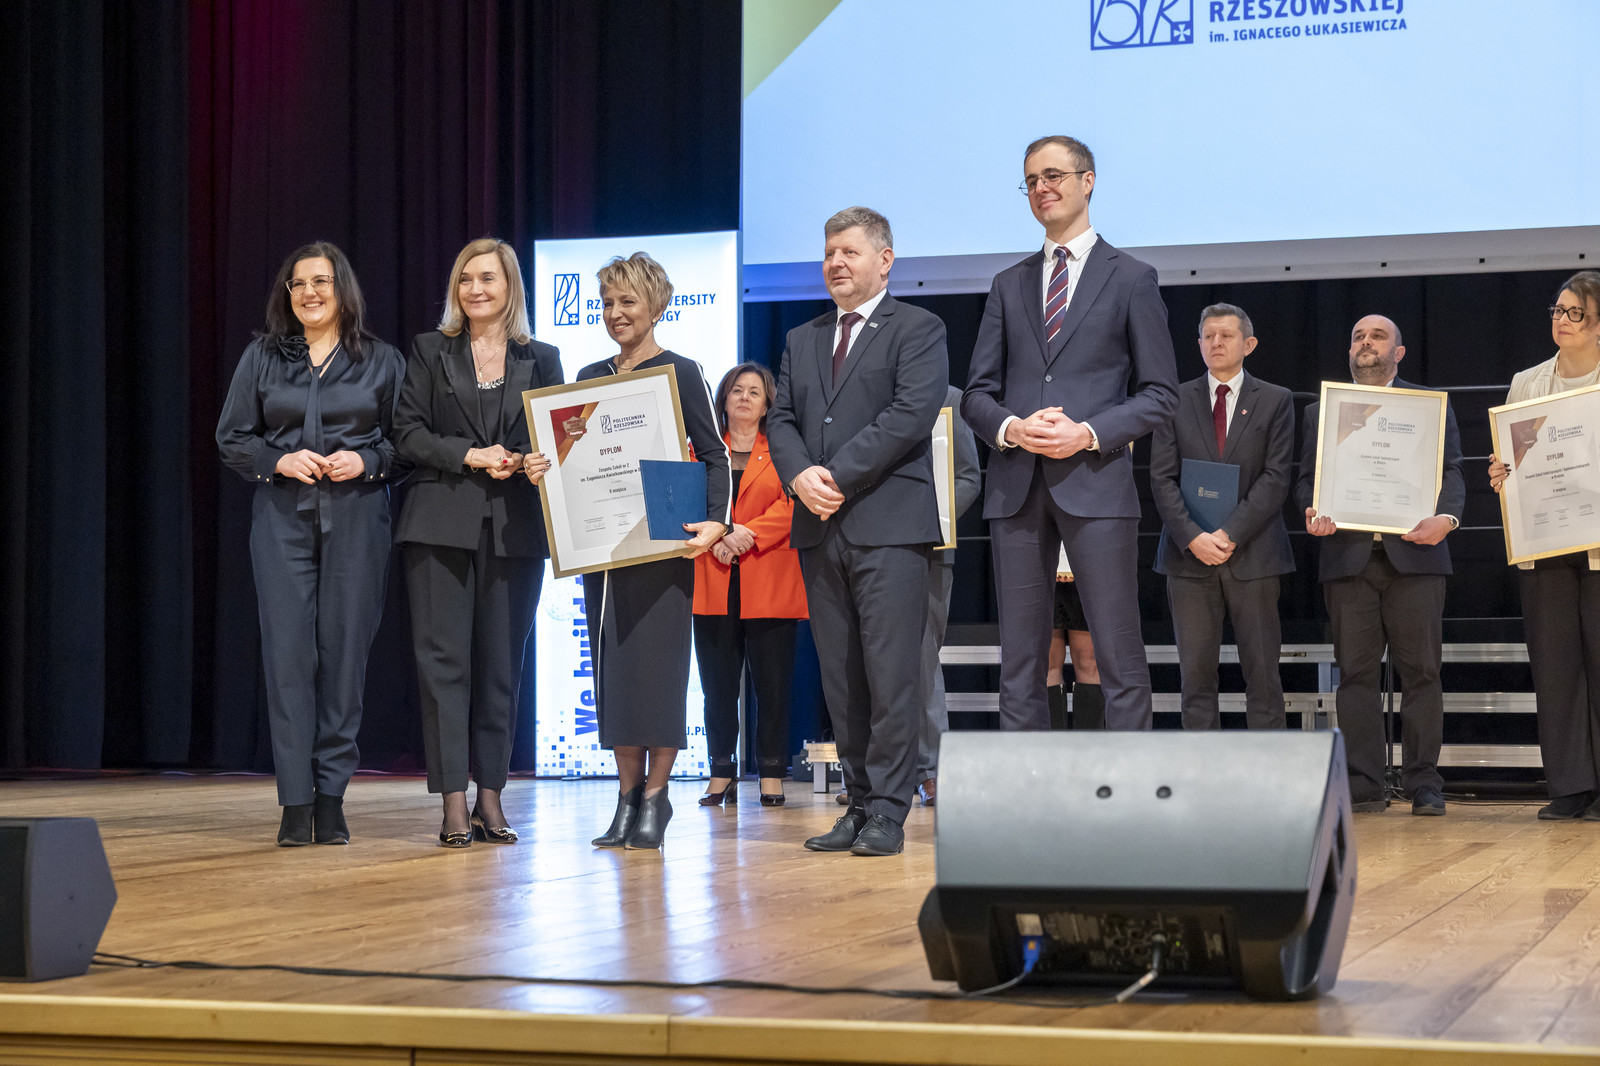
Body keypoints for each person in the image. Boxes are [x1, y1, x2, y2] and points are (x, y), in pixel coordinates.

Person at [961, 135, 1179, 732]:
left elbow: (1161, 393)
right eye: (1031, 180)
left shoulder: (1132, 277)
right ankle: (1026, 783)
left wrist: (1087, 433)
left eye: (1053, 175)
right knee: (1021, 661)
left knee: (1117, 651)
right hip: (1017, 489)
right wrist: (1012, 427)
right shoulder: (1008, 283)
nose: (1042, 188)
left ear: (1088, 181)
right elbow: (976, 394)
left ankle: (1128, 782)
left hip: (1097, 485)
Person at [767, 206, 948, 857]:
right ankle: (860, 802)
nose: (835, 263)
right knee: (842, 679)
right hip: (820, 528)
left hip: (890, 527)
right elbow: (781, 420)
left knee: (891, 675)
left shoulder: (919, 328)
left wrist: (833, 476)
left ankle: (891, 811)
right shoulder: (802, 338)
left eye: (849, 251)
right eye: (828, 253)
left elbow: (910, 414)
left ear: (884, 259)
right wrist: (799, 476)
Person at [216, 241, 406, 847]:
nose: (309, 293)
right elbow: (232, 437)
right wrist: (277, 459)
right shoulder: (262, 357)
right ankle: (295, 803)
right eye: (298, 284)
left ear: (341, 288)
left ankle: (332, 798)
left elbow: (407, 443)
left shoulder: (382, 360)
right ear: (288, 294)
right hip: (281, 520)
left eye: (321, 281)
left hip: (358, 519)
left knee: (345, 659)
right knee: (289, 660)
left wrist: (368, 460)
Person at [393, 238, 562, 848]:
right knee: (443, 666)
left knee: (501, 668)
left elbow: (557, 436)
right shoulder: (429, 349)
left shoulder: (542, 357)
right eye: (465, 279)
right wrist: (468, 454)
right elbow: (406, 433)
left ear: (509, 286)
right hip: (437, 523)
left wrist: (536, 459)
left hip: (515, 528)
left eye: (487, 278)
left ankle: (491, 794)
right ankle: (453, 802)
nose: (475, 289)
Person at [582, 252, 731, 851]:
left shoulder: (682, 372)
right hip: (605, 548)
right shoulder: (589, 375)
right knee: (615, 674)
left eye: (628, 302)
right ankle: (626, 798)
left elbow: (715, 453)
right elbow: (577, 460)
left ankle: (656, 796)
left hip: (665, 544)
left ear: (657, 307)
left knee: (660, 675)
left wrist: (715, 522)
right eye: (607, 303)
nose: (616, 313)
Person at [1295, 315, 1463, 816]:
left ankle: (1424, 783)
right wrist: (1311, 509)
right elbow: (1306, 480)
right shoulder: (1323, 411)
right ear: (1350, 351)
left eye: (1377, 336)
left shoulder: (1429, 406)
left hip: (1417, 555)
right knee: (1355, 676)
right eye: (1357, 337)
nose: (1365, 342)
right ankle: (1364, 783)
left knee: (1422, 674)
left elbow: (1452, 470)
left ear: (1399, 352)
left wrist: (1447, 519)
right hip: (1348, 559)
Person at [1487, 271, 1600, 821]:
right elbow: (1512, 457)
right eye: (1557, 310)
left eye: (1575, 312)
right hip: (1543, 540)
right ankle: (1571, 788)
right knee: (1555, 667)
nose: (1562, 320)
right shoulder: (1526, 383)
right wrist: (1501, 474)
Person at [1150, 303, 1295, 730]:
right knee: (1195, 680)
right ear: (1199, 344)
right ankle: (1202, 769)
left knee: (1263, 677)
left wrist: (1229, 534)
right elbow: (1161, 478)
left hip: (1254, 555)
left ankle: (1267, 767)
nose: (1216, 343)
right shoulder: (1173, 400)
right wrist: (1193, 537)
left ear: (1248, 344)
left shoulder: (1276, 400)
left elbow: (1276, 478)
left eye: (1226, 336)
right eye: (1208, 336)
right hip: (1188, 557)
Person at [692, 362, 807, 808]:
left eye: (754, 392)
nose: (744, 397)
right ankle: (721, 771)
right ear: (723, 399)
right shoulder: (699, 450)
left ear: (766, 406)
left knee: (773, 687)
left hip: (770, 578)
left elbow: (794, 504)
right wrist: (721, 534)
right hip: (713, 577)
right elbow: (684, 501)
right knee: (717, 686)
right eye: (736, 390)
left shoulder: (783, 450)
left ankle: (772, 773)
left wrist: (746, 534)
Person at [913, 384, 981, 806]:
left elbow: (968, 476)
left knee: (923, 658)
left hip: (931, 549)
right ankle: (871, 773)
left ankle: (932, 769)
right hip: (871, 548)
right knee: (866, 659)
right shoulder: (863, 389)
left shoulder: (948, 398)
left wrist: (932, 520)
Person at [1047, 552, 1103, 731]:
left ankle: (1090, 746)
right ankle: (1048, 745)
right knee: (1047, 665)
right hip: (1041, 566)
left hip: (1088, 563)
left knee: (1089, 662)